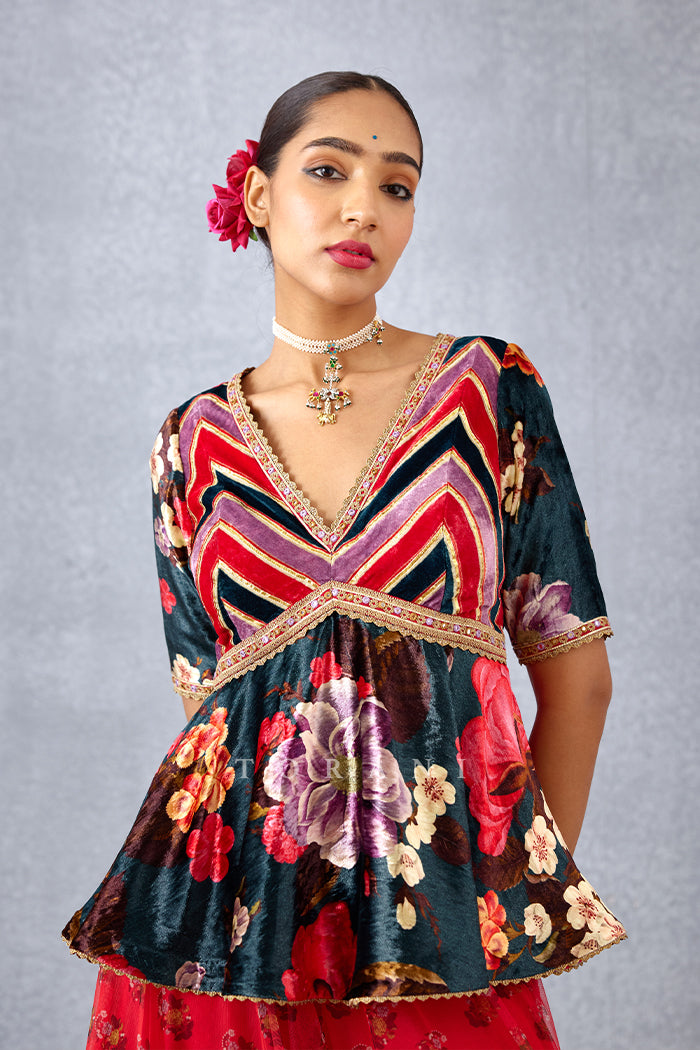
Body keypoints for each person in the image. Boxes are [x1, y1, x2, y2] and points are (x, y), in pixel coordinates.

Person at [63, 71, 626, 1049]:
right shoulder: (188, 442)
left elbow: (579, 682)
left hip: (444, 928)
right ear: (257, 194)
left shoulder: (487, 387)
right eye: (328, 171)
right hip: (217, 940)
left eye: (396, 186)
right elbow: (209, 717)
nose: (364, 206)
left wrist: (504, 902)